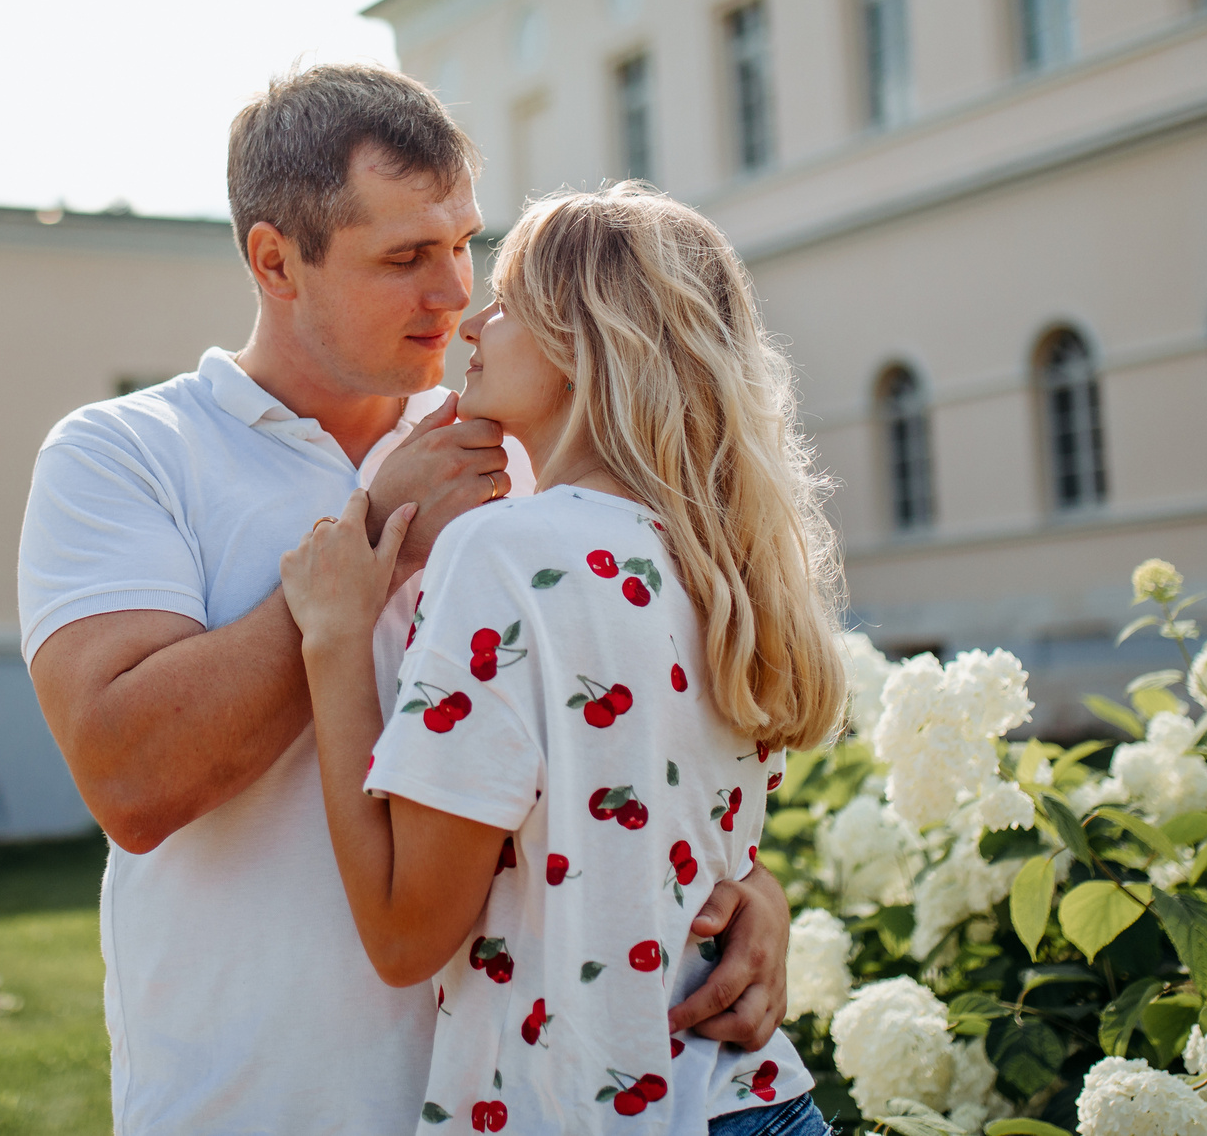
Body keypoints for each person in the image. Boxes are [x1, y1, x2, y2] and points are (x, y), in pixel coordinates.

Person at [19, 66, 797, 1135]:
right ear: (274, 260)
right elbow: (129, 781)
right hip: (253, 1108)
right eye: (404, 258)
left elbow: (632, 744)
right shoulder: (127, 454)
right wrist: (380, 536)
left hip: (523, 1106)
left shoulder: (533, 450)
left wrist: (749, 892)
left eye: (463, 244)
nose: (455, 296)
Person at [279, 183, 846, 1134]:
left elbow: (405, 934)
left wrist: (334, 640)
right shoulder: (721, 564)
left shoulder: (504, 552)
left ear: (583, 339)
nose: (471, 322)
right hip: (760, 1100)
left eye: (505, 300)